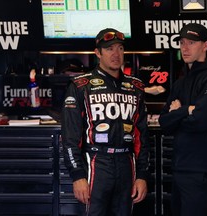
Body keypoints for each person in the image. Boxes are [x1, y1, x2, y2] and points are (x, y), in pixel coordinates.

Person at [61, 28, 150, 216]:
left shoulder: (135, 88)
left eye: (120, 48)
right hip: (96, 162)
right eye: (109, 49)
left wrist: (142, 175)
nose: (116, 54)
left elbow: (142, 137)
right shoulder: (80, 86)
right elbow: (70, 136)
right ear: (98, 53)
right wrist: (77, 175)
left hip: (127, 164)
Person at [158, 23, 207, 216]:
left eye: (191, 42)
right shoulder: (181, 82)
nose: (185, 48)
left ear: (205, 46)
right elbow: (164, 123)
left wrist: (179, 111)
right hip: (180, 166)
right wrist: (186, 110)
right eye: (182, 43)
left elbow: (200, 121)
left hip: (201, 168)